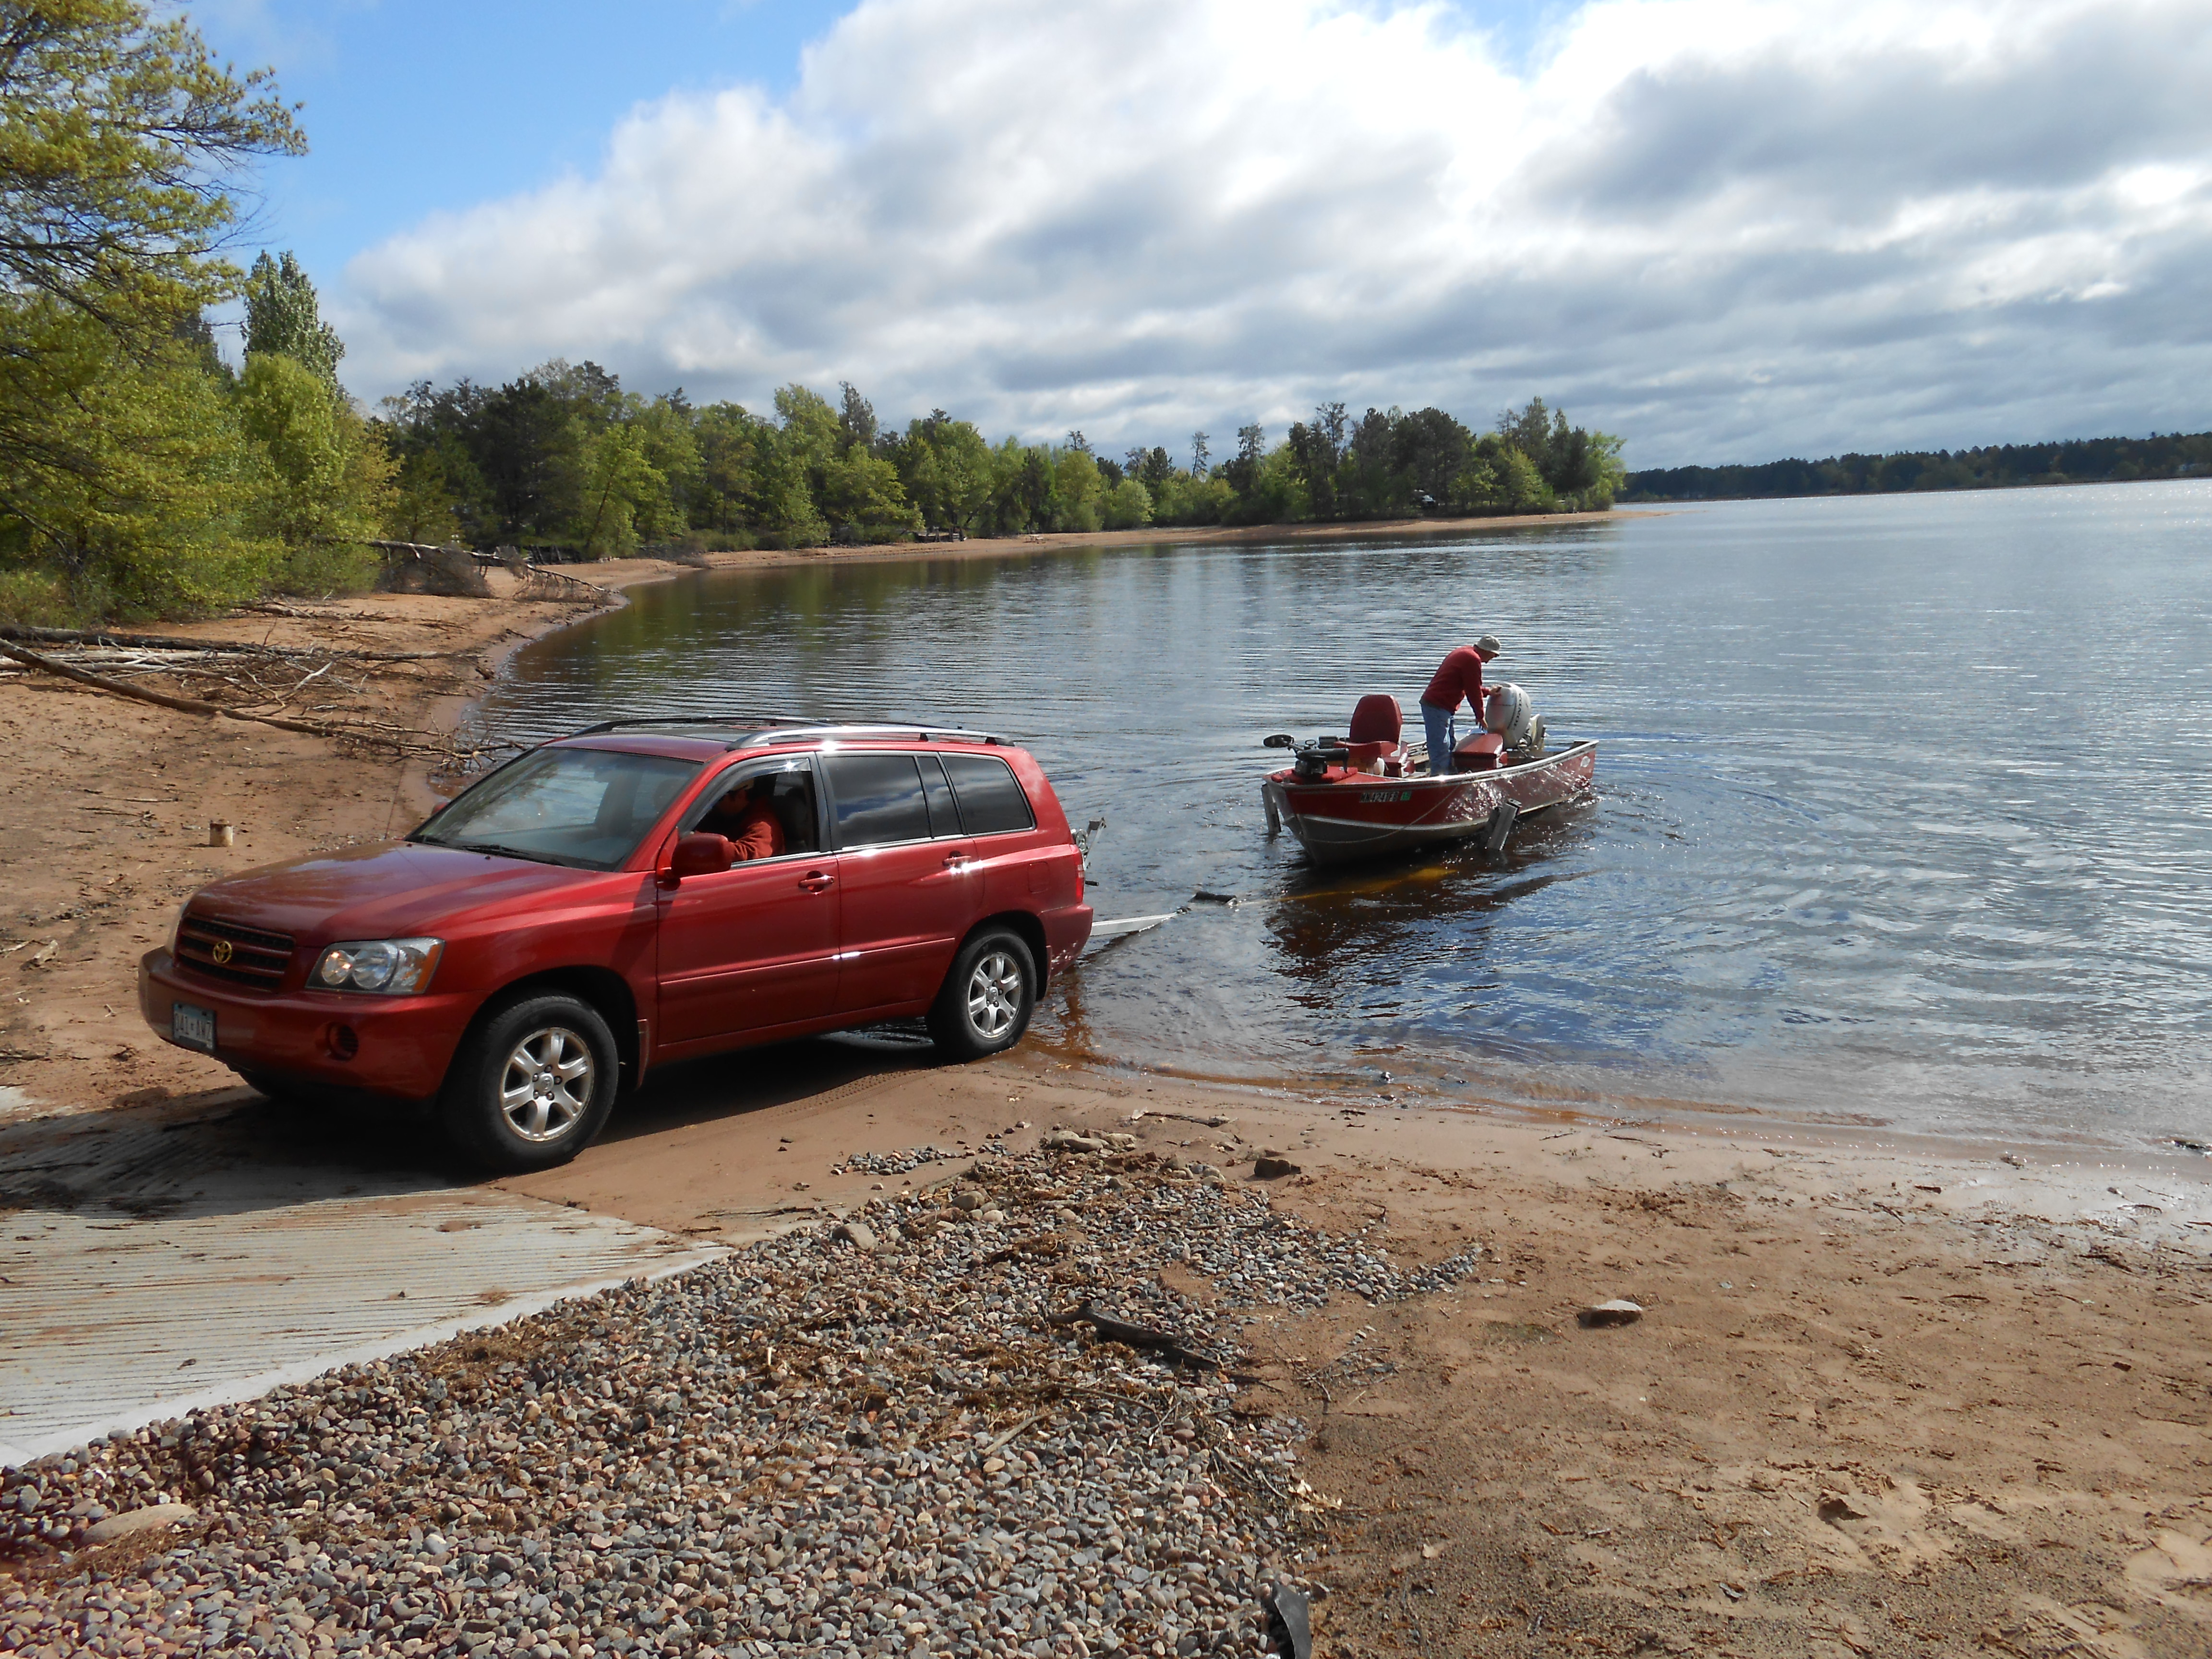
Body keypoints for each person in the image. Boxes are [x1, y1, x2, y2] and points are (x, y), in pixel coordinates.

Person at [1419, 634, 1501, 775]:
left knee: (1450, 743)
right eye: (1493, 656)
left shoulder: (1464, 652)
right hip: (1438, 706)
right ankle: (1439, 779)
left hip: (1443, 707)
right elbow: (1473, 691)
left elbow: (1470, 685)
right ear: (1487, 651)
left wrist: (1488, 692)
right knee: (1441, 747)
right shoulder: (1472, 659)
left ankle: (1449, 774)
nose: (1489, 661)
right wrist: (1480, 716)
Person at [696, 776, 786, 862]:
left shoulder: (763, 824)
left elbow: (749, 853)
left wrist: (703, 845)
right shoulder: (729, 816)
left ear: (740, 795)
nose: (714, 805)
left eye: (719, 799)